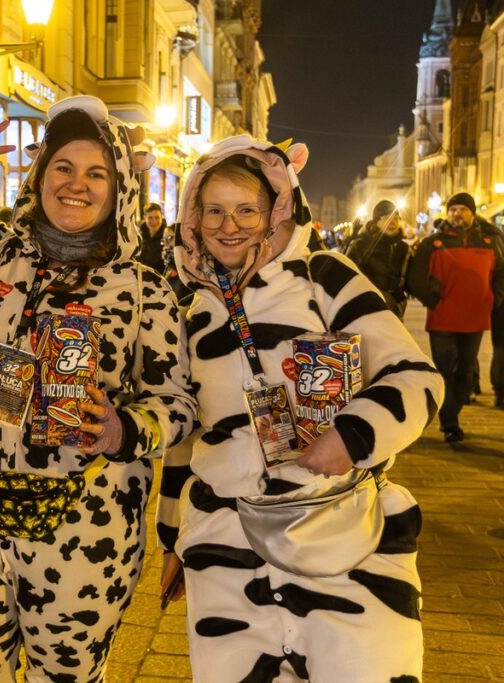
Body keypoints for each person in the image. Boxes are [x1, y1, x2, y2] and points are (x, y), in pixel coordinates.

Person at [0, 95, 197, 680]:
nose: (76, 184)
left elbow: (176, 403)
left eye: (96, 173)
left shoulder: (143, 289)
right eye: (63, 167)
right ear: (39, 175)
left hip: (86, 529)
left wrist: (125, 428)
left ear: (119, 188)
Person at [155, 135, 444, 682]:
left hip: (339, 538)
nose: (228, 224)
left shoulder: (324, 275)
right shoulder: (188, 308)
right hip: (226, 545)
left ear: (276, 210)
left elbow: (415, 377)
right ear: (193, 214)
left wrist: (354, 435)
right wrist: (172, 539)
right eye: (213, 210)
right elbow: (184, 437)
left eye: (246, 209)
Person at [406, 191, 504, 441]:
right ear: (447, 213)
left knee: (466, 373)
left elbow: (501, 273)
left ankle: (451, 411)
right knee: (445, 370)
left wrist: (494, 298)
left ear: (472, 213)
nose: (457, 214)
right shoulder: (433, 242)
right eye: (453, 210)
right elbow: (415, 277)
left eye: (462, 209)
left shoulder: (488, 241)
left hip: (475, 320)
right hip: (443, 320)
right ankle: (450, 422)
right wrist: (433, 299)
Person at [345, 199, 411, 319]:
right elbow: (348, 276)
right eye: (386, 217)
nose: (393, 222)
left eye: (396, 218)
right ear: (376, 222)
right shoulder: (361, 244)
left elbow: (412, 279)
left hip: (394, 309)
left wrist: (400, 300)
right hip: (366, 309)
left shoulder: (403, 247)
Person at [137, 202, 167, 272]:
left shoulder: (167, 237)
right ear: (144, 218)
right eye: (150, 218)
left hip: (158, 278)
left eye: (157, 217)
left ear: (162, 217)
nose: (154, 221)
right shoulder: (138, 234)